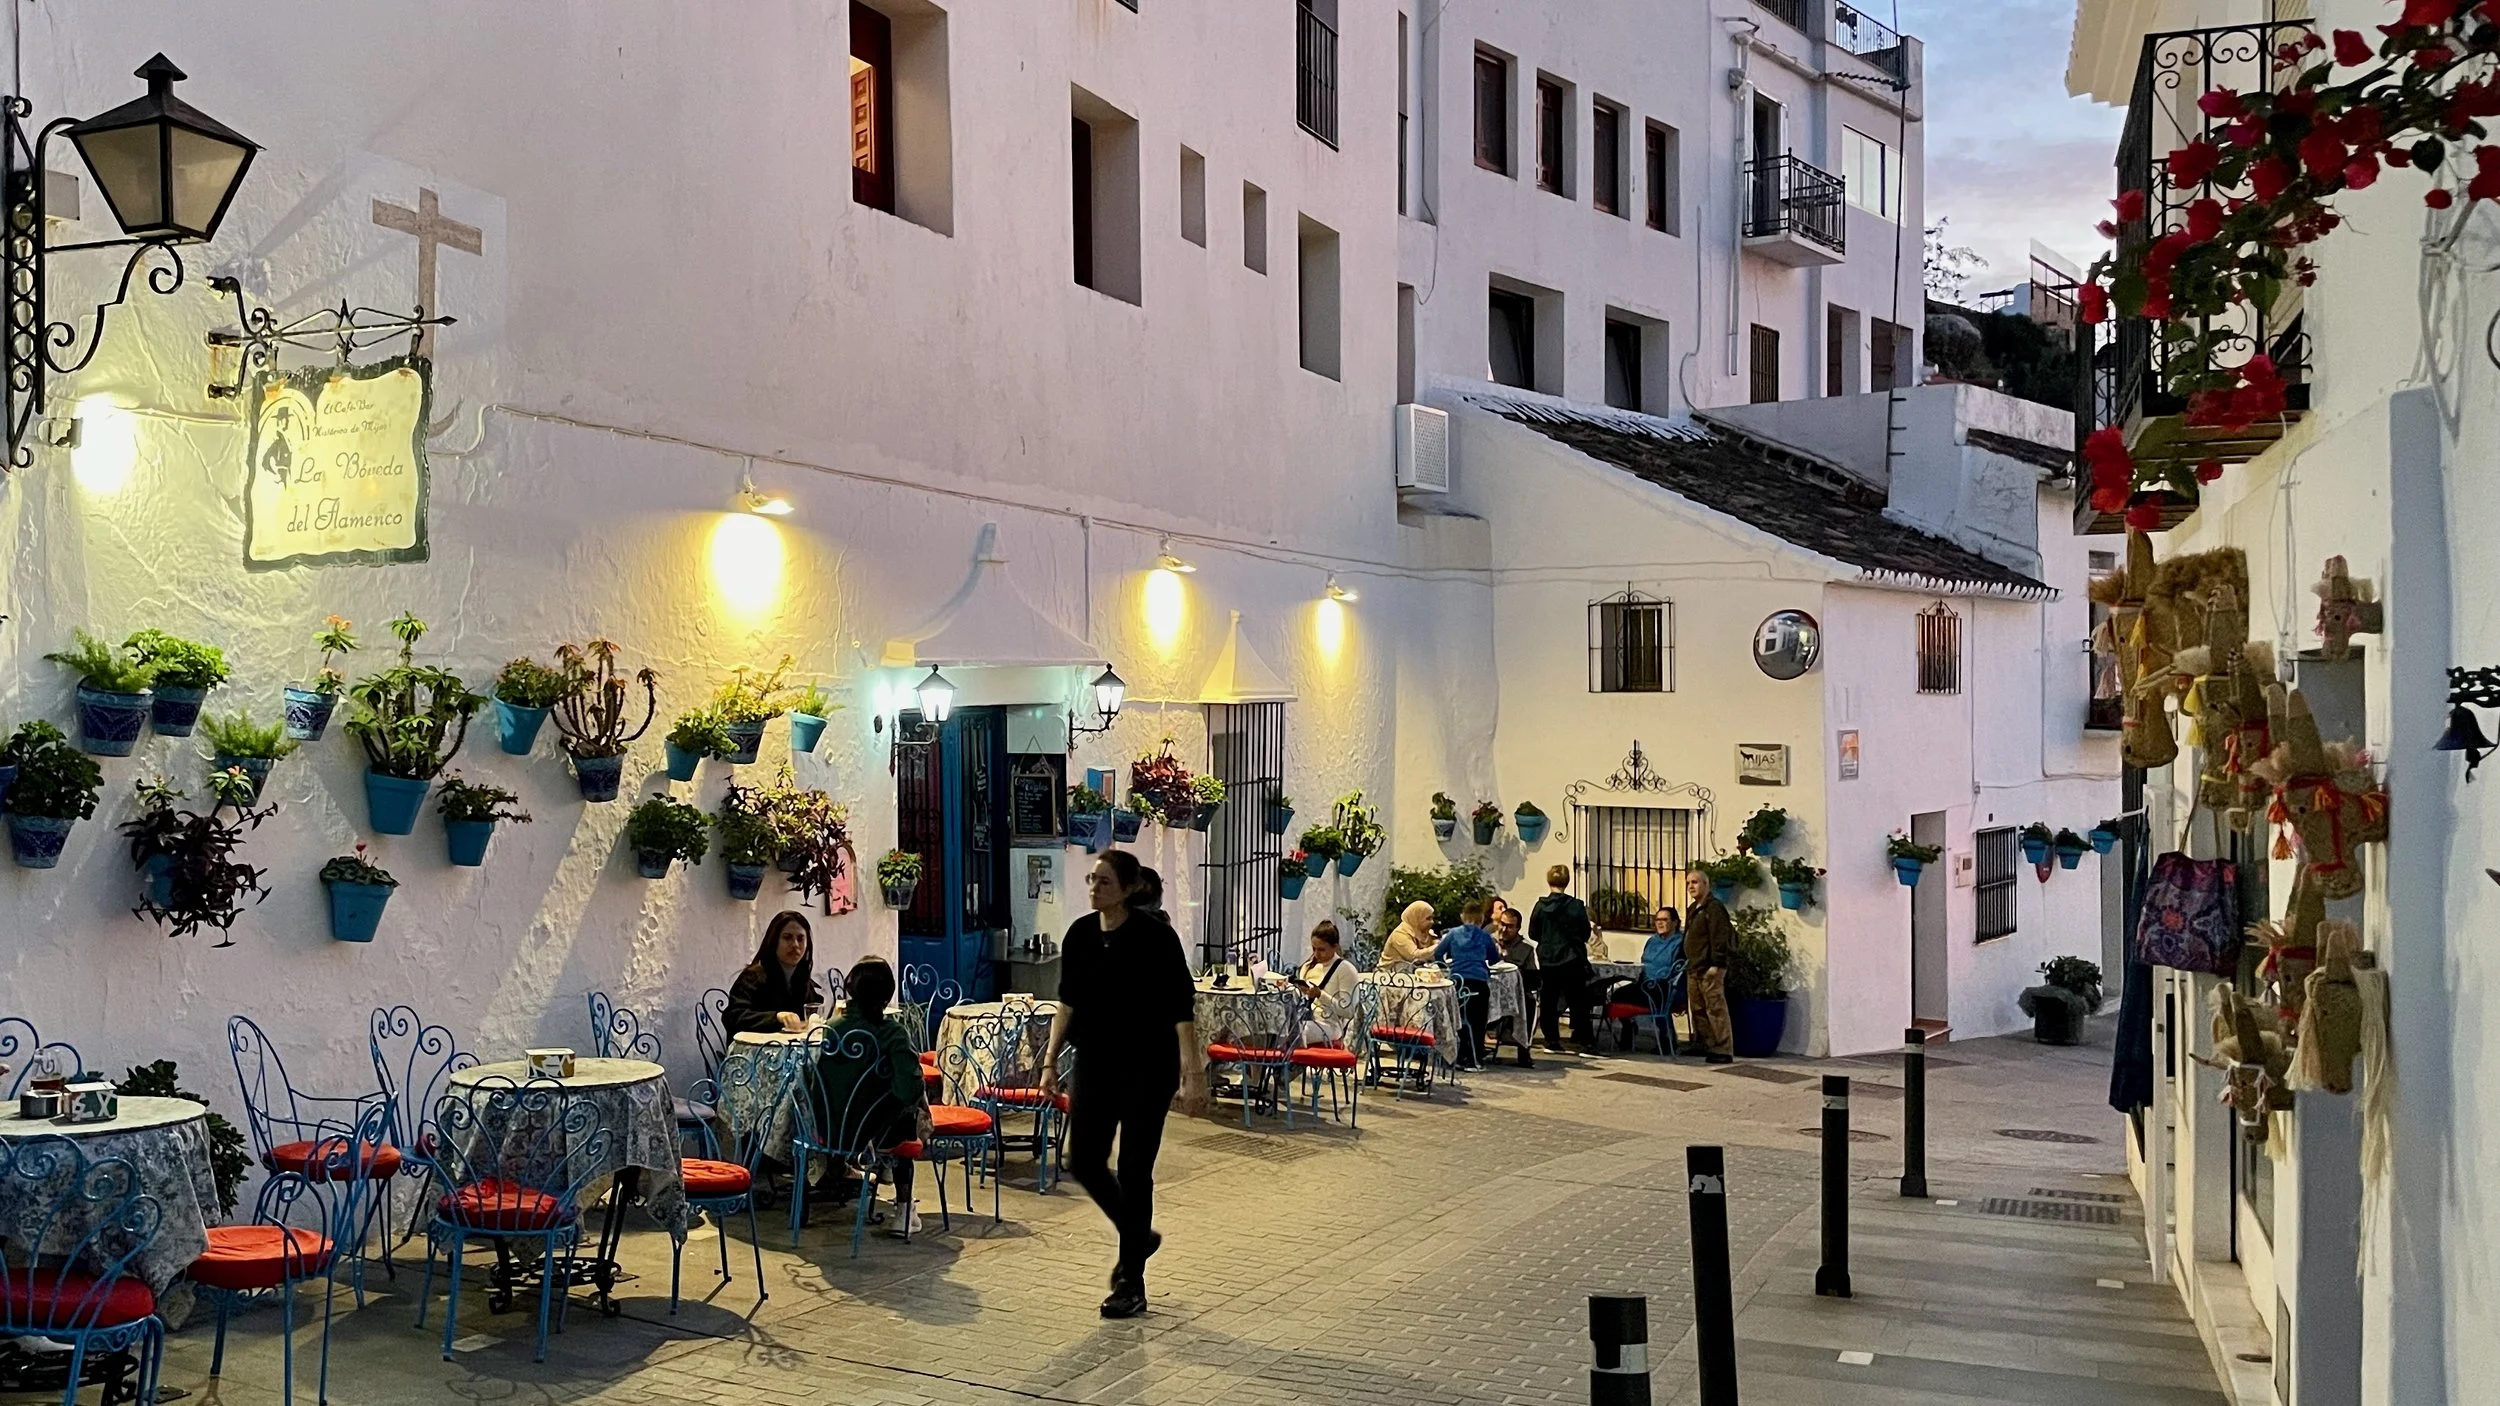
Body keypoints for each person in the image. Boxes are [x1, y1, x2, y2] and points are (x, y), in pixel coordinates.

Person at [1041, 851, 1208, 1319]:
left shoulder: (1156, 937)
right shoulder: (1079, 934)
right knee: (1084, 1160)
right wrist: (1049, 1063)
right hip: (1094, 1062)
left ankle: (1131, 1281)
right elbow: (1067, 1003)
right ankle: (1139, 1236)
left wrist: (1192, 1074)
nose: (1094, 888)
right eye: (1092, 880)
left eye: (1105, 882)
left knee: (1136, 1170)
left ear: (1130, 888)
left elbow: (1181, 1009)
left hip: (1147, 1067)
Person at [806, 955, 927, 1234]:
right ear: (887, 996)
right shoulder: (892, 1033)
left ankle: (836, 1170)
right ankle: (904, 1210)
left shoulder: (829, 1029)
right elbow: (908, 1090)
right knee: (908, 1111)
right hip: (873, 1134)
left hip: (827, 1130)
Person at [1529, 865, 1597, 1054]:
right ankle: (1585, 1041)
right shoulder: (1576, 906)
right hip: (1571, 958)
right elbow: (1584, 933)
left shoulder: (1541, 906)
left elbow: (1533, 932)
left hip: (1547, 959)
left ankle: (1551, 1040)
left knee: (1549, 1000)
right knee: (1578, 1000)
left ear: (1549, 881)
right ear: (1567, 882)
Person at [725, 911, 823, 1035]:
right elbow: (734, 1016)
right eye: (787, 937)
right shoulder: (753, 977)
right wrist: (776, 1017)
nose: (795, 945)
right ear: (774, 940)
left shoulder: (802, 978)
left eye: (800, 939)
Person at [1432, 899, 1501, 1069]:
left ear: (1462, 916)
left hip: (1458, 982)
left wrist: (1445, 967)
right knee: (1478, 1023)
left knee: (1459, 1020)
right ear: (1481, 918)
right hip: (1478, 982)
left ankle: (1459, 1056)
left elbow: (1438, 953)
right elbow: (1494, 959)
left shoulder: (1453, 934)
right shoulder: (1485, 936)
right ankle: (1476, 1059)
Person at [1606, 906, 1683, 1049]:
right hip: (1645, 983)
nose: (1660, 923)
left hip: (1664, 986)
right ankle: (1628, 1029)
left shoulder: (1679, 943)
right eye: (1657, 920)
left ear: (1675, 923)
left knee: (1655, 996)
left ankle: (1667, 1038)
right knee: (1617, 995)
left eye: (1664, 920)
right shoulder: (1652, 941)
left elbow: (1677, 970)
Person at [1682, 873, 1736, 1064]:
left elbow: (1719, 937)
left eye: (1695, 882)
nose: (1690, 886)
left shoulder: (1713, 908)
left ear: (1706, 884)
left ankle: (1723, 1048)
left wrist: (1717, 964)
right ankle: (1706, 1044)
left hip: (1709, 968)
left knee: (1715, 1008)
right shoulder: (1693, 909)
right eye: (1688, 883)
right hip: (1694, 967)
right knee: (1697, 1009)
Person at [1288, 920, 1360, 1047]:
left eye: (1321, 949)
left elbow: (1348, 1011)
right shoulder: (1307, 966)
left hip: (1330, 1025)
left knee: (1295, 1032)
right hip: (1304, 1017)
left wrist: (1320, 995)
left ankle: (1294, 1065)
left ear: (1335, 947)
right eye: (1314, 949)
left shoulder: (1345, 970)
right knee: (1274, 1030)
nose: (1316, 954)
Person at [1494, 907, 1537, 1068]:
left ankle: (1523, 1051)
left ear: (1518, 928)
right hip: (1491, 991)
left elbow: (1532, 978)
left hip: (1516, 993)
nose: (1504, 929)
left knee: (1529, 1003)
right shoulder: (1489, 942)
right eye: (1502, 924)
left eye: (1510, 926)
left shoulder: (1526, 949)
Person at [1378, 900, 1438, 969]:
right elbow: (1414, 956)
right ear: (1417, 918)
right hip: (1389, 975)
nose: (1432, 922)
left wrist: (1438, 942)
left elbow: (1432, 944)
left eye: (1432, 918)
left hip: (1409, 971)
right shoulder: (1400, 934)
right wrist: (1437, 947)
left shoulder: (1423, 932)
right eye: (1428, 919)